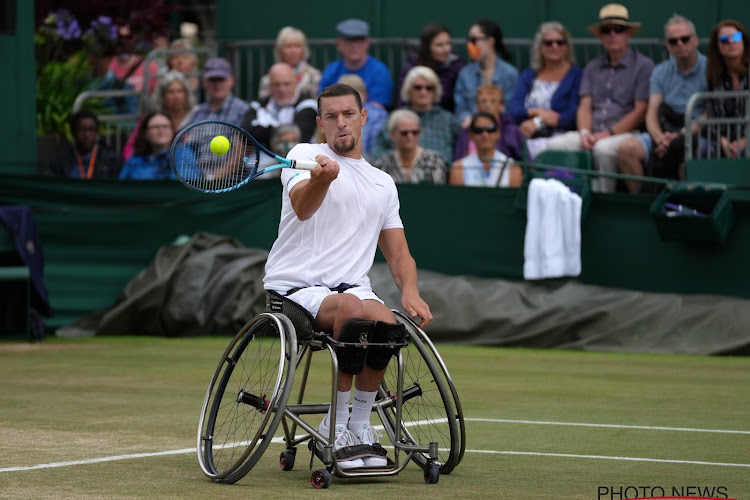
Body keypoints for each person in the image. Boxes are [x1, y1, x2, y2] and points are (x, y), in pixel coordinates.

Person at [263, 83, 432, 470]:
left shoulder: (382, 183)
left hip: (351, 290)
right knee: (356, 308)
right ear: (321, 124)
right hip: (294, 290)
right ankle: (335, 425)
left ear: (364, 117)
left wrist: (411, 291)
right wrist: (323, 179)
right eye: (332, 117)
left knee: (388, 323)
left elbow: (399, 251)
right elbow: (303, 208)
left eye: (349, 115)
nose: (342, 124)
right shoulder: (304, 156)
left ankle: (358, 427)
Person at [545, 3, 654, 192]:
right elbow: (585, 105)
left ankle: (603, 203)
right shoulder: (592, 66)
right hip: (593, 132)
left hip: (625, 134)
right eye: (606, 30)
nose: (612, 34)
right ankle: (566, 200)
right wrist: (586, 133)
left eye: (618, 30)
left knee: (603, 148)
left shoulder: (644, 65)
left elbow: (640, 110)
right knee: (556, 145)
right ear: (601, 35)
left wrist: (607, 134)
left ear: (628, 33)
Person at [617, 14, 708, 192]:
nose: (680, 44)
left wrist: (681, 135)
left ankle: (688, 208)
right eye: (673, 41)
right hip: (666, 129)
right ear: (667, 45)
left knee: (686, 154)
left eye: (685, 39)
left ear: (695, 40)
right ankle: (644, 205)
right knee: (626, 149)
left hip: (697, 133)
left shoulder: (711, 68)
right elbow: (652, 111)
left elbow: (710, 112)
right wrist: (659, 138)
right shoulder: (660, 71)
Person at [507, 21, 582, 161]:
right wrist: (536, 112)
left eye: (560, 42)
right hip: (526, 133)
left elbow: (571, 116)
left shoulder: (577, 75)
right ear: (540, 47)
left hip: (559, 138)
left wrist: (538, 123)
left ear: (567, 47)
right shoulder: (529, 75)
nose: (554, 46)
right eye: (548, 43)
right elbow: (514, 109)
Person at [371, 65, 460, 164]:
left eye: (429, 88)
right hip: (399, 175)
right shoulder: (394, 118)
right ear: (408, 91)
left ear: (436, 92)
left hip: (440, 176)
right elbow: (377, 152)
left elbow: (460, 155)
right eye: (418, 88)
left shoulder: (449, 120)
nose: (423, 92)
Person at [123, 70, 197, 161]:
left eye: (180, 91)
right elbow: (130, 148)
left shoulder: (197, 115)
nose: (176, 96)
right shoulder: (151, 119)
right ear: (162, 96)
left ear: (186, 94)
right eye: (170, 92)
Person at [454, 19, 519, 122]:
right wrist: (470, 120)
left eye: (474, 40)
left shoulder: (510, 74)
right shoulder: (465, 73)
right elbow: (460, 109)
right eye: (469, 40)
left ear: (490, 41)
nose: (470, 44)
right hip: (473, 131)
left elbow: (511, 110)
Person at [240, 62, 318, 149]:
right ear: (269, 86)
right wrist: (284, 133)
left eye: (287, 84)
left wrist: (263, 133)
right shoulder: (257, 106)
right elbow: (244, 134)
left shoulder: (308, 104)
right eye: (276, 85)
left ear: (296, 83)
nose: (282, 89)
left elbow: (301, 137)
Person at [319, 19, 394, 107]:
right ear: (339, 44)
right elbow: (322, 102)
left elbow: (377, 109)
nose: (354, 46)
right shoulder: (331, 70)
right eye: (349, 41)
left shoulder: (379, 71)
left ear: (367, 43)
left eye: (359, 40)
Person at [704, 19, 749, 158]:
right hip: (723, 140)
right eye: (724, 40)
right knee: (704, 150)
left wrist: (745, 141)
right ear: (717, 46)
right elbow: (711, 115)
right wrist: (723, 141)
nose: (731, 42)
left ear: (743, 41)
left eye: (736, 37)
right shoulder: (714, 76)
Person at [396, 23, 465, 112]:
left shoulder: (456, 68)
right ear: (428, 47)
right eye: (439, 45)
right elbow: (402, 101)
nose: (446, 49)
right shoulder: (410, 69)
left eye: (448, 43)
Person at [449, 111, 523, 187]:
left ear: (498, 133)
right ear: (470, 135)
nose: (485, 135)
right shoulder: (458, 169)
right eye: (478, 130)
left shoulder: (513, 169)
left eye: (490, 129)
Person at [453, 84, 525, 162]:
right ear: (477, 106)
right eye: (483, 101)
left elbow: (523, 161)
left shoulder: (512, 131)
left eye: (493, 101)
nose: (488, 105)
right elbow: (457, 161)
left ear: (502, 106)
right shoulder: (465, 132)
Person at [373, 109, 447, 184]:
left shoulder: (434, 161)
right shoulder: (383, 163)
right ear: (393, 135)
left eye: (415, 132)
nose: (410, 136)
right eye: (404, 133)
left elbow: (438, 192)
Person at [46, 110, 122, 179]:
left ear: (97, 132)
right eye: (82, 130)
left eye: (91, 130)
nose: (86, 135)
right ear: (73, 132)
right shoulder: (59, 162)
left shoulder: (111, 161)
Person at [257, 26, 322, 101]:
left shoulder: (315, 76)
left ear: (304, 50)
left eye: (297, 46)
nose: (293, 51)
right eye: (288, 46)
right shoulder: (267, 80)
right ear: (279, 51)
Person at [119, 112, 189, 179]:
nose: (161, 130)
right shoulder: (135, 158)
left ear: (172, 131)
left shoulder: (183, 154)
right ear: (145, 133)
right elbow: (122, 185)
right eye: (155, 127)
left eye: (165, 126)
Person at [185, 57, 250, 127]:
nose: (217, 84)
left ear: (232, 80)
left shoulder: (244, 111)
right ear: (204, 82)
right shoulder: (197, 113)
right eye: (213, 80)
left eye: (221, 79)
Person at [337, 74, 387, 156]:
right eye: (344, 95)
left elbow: (377, 144)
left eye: (355, 95)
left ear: (365, 95)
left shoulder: (378, 114)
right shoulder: (333, 114)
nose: (350, 100)